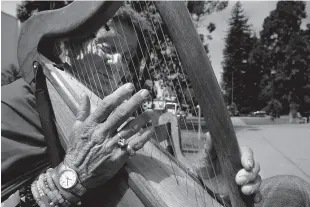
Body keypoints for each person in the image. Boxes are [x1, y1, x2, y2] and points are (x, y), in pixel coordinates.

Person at [2, 5, 310, 207]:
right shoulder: (14, 105)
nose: (119, 64)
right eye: (109, 49)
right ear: (66, 47)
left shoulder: (123, 112)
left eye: (127, 55)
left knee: (289, 189)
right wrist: (71, 175)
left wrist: (212, 175)